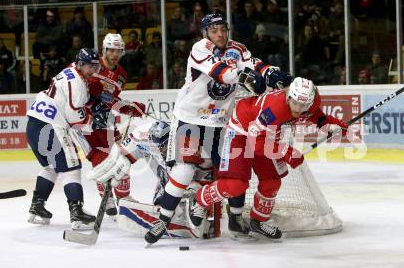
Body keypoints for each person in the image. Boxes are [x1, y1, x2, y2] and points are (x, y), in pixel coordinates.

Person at [144, 13, 292, 244]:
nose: (220, 34)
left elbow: (256, 64)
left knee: (234, 172)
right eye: (214, 30)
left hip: (222, 122)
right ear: (206, 33)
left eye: (222, 29)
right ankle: (163, 220)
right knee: (184, 170)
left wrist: (271, 73)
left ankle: (235, 218)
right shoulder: (200, 49)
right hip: (190, 118)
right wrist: (247, 77)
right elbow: (222, 74)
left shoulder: (238, 49)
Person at [188, 77, 348, 239]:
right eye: (295, 104)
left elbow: (314, 114)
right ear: (288, 97)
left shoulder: (310, 102)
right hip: (241, 131)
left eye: (303, 106)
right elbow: (255, 140)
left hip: (267, 134)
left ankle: (258, 221)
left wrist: (329, 124)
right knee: (236, 184)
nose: (298, 109)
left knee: (272, 181)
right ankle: (200, 199)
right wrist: (286, 152)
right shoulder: (275, 109)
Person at [25, 48, 100, 230]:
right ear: (81, 64)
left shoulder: (70, 71)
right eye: (91, 66)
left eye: (96, 66)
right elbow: (74, 116)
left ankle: (37, 207)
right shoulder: (77, 82)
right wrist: (92, 118)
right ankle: (76, 212)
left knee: (51, 167)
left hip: (33, 125)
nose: (94, 70)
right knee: (72, 167)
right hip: (51, 127)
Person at [83, 33, 146, 217]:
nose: (114, 54)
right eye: (111, 50)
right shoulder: (93, 65)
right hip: (85, 120)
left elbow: (113, 100)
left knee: (122, 155)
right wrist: (124, 106)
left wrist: (128, 108)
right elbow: (89, 92)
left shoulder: (122, 75)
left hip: (106, 119)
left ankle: (123, 197)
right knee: (100, 158)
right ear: (104, 50)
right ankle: (107, 198)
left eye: (118, 50)